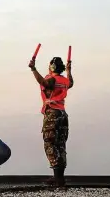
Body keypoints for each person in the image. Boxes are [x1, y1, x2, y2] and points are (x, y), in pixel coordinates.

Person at [28, 57, 73, 188]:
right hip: (63, 114)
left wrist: (33, 69)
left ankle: (58, 180)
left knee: (50, 144)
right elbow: (70, 82)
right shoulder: (64, 80)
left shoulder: (52, 80)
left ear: (52, 67)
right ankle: (59, 177)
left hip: (52, 114)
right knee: (60, 144)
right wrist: (69, 70)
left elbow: (42, 81)